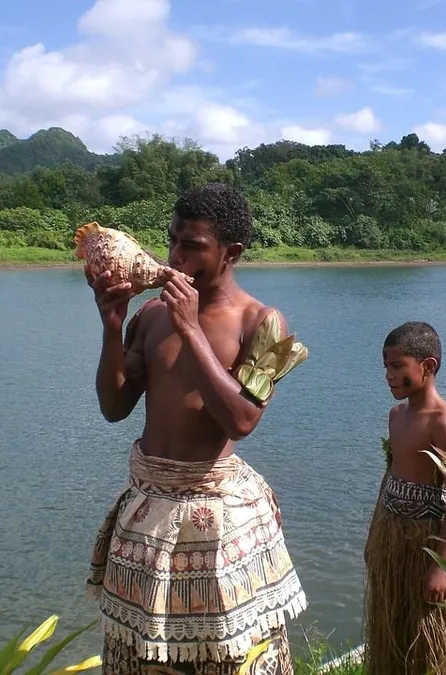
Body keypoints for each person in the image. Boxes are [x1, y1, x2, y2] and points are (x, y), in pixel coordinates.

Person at [84, 183, 309, 675]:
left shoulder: (261, 322)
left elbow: (242, 420)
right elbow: (114, 406)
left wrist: (191, 330)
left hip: (217, 517)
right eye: (172, 240)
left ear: (232, 252)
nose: (174, 256)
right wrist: (111, 324)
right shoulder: (151, 315)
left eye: (192, 246)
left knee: (227, 657)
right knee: (139, 655)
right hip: (149, 509)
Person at [363, 321, 446, 675]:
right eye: (386, 365)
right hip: (392, 534)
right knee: (393, 627)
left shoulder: (443, 422)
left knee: (429, 635)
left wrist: (442, 565)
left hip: (427, 541)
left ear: (428, 367)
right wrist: (373, 535)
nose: (389, 375)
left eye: (398, 366)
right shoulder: (396, 416)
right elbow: (390, 473)